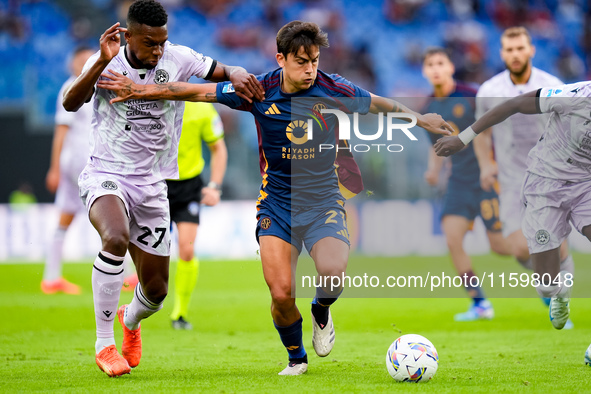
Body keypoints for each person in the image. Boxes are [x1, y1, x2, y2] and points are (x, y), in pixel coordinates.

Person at [98, 20, 453, 375]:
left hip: (323, 202)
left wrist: (422, 120)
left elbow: (380, 104)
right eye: (302, 61)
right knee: (281, 293)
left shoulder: (333, 88)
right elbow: (192, 91)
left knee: (332, 275)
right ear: (281, 58)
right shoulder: (257, 89)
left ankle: (320, 310)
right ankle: (297, 358)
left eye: (314, 60)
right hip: (277, 206)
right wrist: (140, 90)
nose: (311, 69)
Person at [62, 0, 263, 377]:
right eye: (150, 43)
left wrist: (236, 71)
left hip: (154, 183)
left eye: (162, 42)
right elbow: (71, 103)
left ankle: (130, 321)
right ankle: (104, 344)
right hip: (107, 173)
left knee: (156, 291)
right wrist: (100, 65)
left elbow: (221, 68)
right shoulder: (106, 61)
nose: (158, 50)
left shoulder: (178, 57)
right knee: (116, 238)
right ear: (130, 36)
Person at [434, 81, 589, 340]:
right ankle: (558, 293)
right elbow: (514, 104)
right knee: (546, 285)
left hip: (586, 184)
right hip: (545, 184)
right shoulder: (573, 95)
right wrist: (463, 139)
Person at [473, 27, 575, 288]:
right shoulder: (489, 90)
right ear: (502, 54)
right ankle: (550, 280)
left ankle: (557, 295)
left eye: (520, 48)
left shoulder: (553, 87)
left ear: (531, 50)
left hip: (549, 176)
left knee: (552, 241)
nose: (515, 54)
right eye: (509, 49)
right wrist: (486, 165)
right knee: (519, 248)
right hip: (511, 179)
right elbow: (481, 133)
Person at [422, 47, 512, 321]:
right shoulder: (427, 108)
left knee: (501, 247)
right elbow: (436, 146)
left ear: (450, 67)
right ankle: (480, 303)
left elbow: (494, 126)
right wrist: (433, 170)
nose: (436, 68)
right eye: (430, 64)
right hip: (458, 182)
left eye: (440, 63)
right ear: (425, 71)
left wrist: (494, 164)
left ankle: (550, 286)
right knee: (453, 240)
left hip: (487, 179)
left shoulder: (471, 96)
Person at [168, 101, 227, 330]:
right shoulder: (152, 102)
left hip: (189, 187)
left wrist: (214, 186)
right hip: (155, 183)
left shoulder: (202, 109)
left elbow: (218, 148)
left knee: (187, 249)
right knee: (152, 251)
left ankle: (179, 313)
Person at [41, 46, 95, 295]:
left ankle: (51, 278)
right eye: (81, 60)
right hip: (81, 163)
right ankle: (126, 274)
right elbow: (61, 130)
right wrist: (54, 168)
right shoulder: (72, 88)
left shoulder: (94, 86)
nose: (85, 64)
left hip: (75, 163)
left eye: (89, 59)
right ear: (72, 63)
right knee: (113, 213)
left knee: (65, 217)